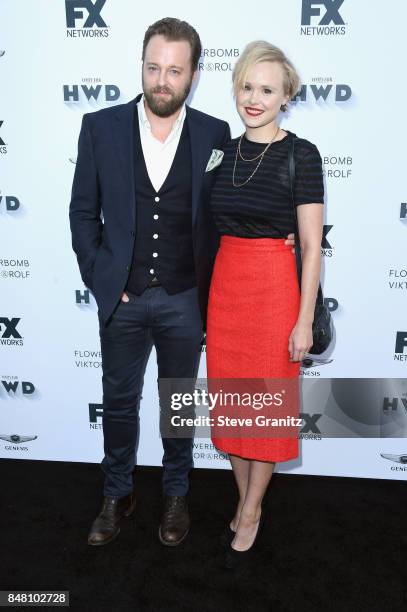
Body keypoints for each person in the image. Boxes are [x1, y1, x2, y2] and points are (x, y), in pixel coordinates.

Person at [69, 19, 296, 549]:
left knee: (178, 403)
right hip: (123, 300)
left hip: (185, 298)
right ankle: (116, 493)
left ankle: (175, 494)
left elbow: (242, 199)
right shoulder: (99, 127)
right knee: (119, 402)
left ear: (193, 75)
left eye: (174, 70)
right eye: (153, 68)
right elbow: (83, 213)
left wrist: (285, 238)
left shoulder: (216, 134)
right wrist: (104, 277)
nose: (162, 80)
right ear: (142, 67)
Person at [206, 41, 324, 568]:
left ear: (285, 96)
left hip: (276, 289)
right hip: (226, 289)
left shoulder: (302, 153)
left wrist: (303, 320)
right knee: (233, 407)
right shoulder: (220, 152)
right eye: (247, 86)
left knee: (268, 411)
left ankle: (251, 509)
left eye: (267, 89)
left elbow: (312, 246)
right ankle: (244, 498)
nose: (254, 98)